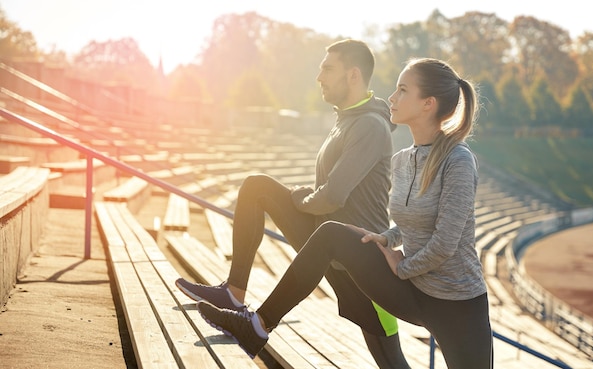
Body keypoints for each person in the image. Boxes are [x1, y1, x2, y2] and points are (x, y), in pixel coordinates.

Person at [197, 57, 494, 369]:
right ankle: (256, 327)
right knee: (332, 235)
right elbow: (410, 221)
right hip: (412, 291)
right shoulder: (403, 159)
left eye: (403, 90)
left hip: (457, 305)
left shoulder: (458, 161)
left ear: (427, 104)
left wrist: (402, 265)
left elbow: (446, 243)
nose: (391, 97)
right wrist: (387, 237)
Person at [176, 39, 411, 368]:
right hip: (327, 242)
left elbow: (333, 196)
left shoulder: (370, 126)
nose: (319, 77)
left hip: (363, 261)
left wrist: (302, 198)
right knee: (257, 187)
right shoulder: (348, 119)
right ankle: (235, 293)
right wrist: (304, 199)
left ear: (353, 76)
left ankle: (255, 326)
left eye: (328, 69)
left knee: (390, 359)